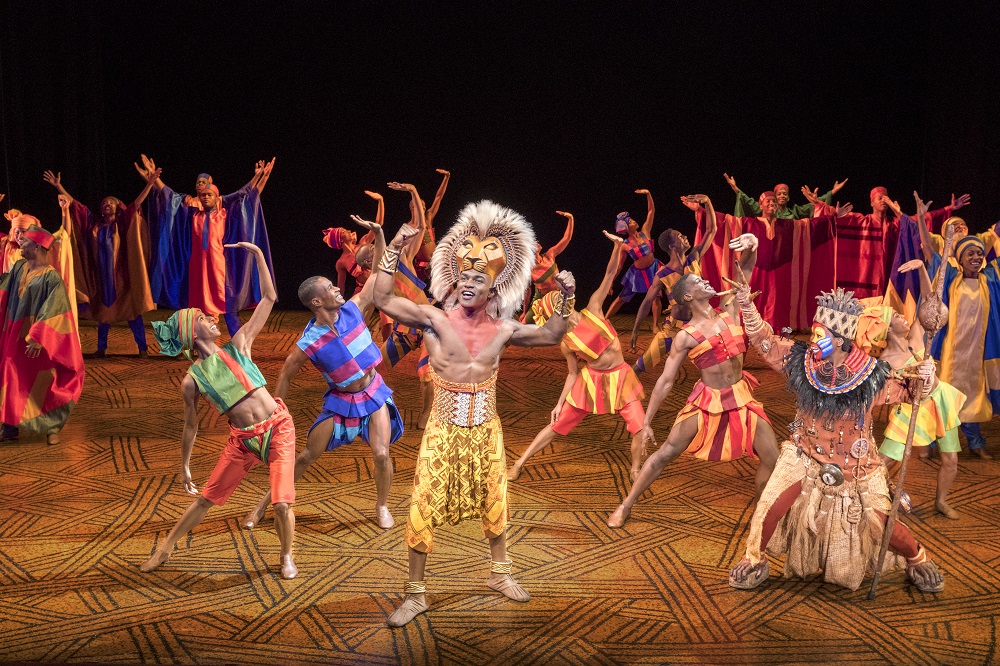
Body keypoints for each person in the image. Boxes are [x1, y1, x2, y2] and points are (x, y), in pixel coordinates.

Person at [373, 200, 576, 627]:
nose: (467, 282)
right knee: (422, 503)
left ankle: (500, 574)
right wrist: (393, 247)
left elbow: (554, 333)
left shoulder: (504, 330)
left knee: (497, 500)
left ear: (492, 290)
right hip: (443, 430)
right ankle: (415, 594)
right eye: (462, 277)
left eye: (476, 279)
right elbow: (381, 296)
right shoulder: (433, 319)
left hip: (487, 430)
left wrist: (567, 295)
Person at [728, 284, 945, 593]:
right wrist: (746, 306)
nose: (812, 341)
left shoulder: (872, 377)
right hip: (803, 457)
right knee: (770, 508)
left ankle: (917, 557)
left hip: (856, 468)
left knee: (884, 526)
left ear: (840, 340)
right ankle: (754, 557)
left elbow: (913, 393)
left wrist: (927, 377)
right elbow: (765, 342)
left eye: (820, 335)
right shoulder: (801, 361)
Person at [140, 242, 298, 579]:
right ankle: (166, 546)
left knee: (282, 502)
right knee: (206, 499)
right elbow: (190, 427)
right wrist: (184, 466)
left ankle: (286, 556)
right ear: (190, 332)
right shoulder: (192, 379)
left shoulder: (239, 345)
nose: (212, 319)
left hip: (278, 428)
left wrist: (257, 255)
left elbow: (269, 299)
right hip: (242, 441)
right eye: (203, 318)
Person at [241, 216, 403, 531]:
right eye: (329, 287)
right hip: (341, 402)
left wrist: (382, 233)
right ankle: (263, 504)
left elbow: (381, 273)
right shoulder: (308, 341)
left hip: (373, 393)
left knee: (382, 454)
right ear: (317, 301)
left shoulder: (355, 308)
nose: (336, 286)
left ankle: (382, 505)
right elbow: (286, 374)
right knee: (305, 457)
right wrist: (276, 414)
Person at [608, 233, 779, 528]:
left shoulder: (731, 312)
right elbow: (664, 381)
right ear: (688, 296)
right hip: (708, 402)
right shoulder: (686, 336)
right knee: (666, 453)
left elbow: (745, 272)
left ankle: (761, 516)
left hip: (742, 397)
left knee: (772, 457)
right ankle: (626, 505)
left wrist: (754, 246)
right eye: (699, 283)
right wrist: (646, 422)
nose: (706, 282)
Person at [507, 230, 647, 482]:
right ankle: (519, 462)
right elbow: (572, 373)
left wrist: (618, 248)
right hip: (591, 381)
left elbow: (609, 275)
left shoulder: (593, 307)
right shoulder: (566, 342)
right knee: (556, 425)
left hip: (621, 376)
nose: (566, 306)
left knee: (639, 425)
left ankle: (636, 468)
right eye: (559, 306)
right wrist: (559, 404)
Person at [853, 295, 965, 519]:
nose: (904, 316)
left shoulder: (915, 336)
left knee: (950, 459)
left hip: (940, 401)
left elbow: (931, 304)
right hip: (909, 408)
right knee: (883, 461)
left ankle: (941, 501)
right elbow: (883, 393)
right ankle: (862, 495)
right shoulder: (885, 361)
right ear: (887, 327)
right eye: (895, 316)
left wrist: (923, 268)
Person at [137, 155, 275, 336]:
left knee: (227, 304)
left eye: (209, 194)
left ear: (216, 197)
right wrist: (154, 180)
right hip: (197, 269)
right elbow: (169, 196)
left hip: (219, 269)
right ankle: (188, 345)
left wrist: (260, 177)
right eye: (202, 195)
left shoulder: (224, 213)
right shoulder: (191, 215)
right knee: (193, 308)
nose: (204, 197)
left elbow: (247, 196)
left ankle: (239, 344)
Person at [43, 169, 159, 357]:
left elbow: (137, 203)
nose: (107, 204)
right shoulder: (93, 225)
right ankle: (101, 348)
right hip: (100, 280)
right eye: (104, 203)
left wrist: (150, 184)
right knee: (103, 316)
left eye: (111, 202)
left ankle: (143, 348)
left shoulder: (122, 223)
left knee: (132, 314)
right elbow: (74, 206)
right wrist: (58, 186)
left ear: (117, 207)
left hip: (122, 278)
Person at [694, 191, 848, 331]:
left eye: (774, 201)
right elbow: (724, 222)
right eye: (767, 201)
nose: (772, 203)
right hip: (755, 272)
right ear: (760, 205)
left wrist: (832, 217)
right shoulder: (749, 223)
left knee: (778, 309)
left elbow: (810, 226)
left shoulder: (787, 226)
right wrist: (701, 211)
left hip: (778, 276)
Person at [0, 225, 84, 445]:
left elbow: (56, 310)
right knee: (9, 374)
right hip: (15, 335)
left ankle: (51, 427)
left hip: (40, 342)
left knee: (44, 383)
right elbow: (4, 291)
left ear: (36, 247)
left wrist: (38, 337)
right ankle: (9, 426)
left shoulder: (51, 277)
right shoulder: (19, 267)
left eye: (25, 242)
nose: (21, 244)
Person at [805, 186, 967, 299]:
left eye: (885, 198)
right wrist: (819, 204)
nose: (883, 200)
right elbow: (834, 218)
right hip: (865, 277)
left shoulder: (895, 224)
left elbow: (922, 220)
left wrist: (949, 208)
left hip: (889, 273)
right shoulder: (862, 221)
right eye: (879, 198)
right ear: (872, 202)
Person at [925, 223, 1000, 459]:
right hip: (949, 354)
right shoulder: (951, 279)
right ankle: (933, 440)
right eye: (971, 253)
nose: (977, 257)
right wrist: (920, 217)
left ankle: (975, 441)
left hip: (977, 356)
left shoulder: (989, 281)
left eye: (980, 253)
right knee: (943, 395)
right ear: (960, 258)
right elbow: (930, 250)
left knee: (973, 396)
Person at [630, 195, 717, 374]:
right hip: (674, 327)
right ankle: (618, 389)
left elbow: (712, 229)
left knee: (719, 363)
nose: (685, 236)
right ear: (671, 246)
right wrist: (635, 330)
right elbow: (647, 302)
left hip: (700, 324)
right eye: (679, 236)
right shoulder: (662, 274)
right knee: (641, 365)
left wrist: (707, 202)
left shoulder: (694, 258)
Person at [605, 189, 661, 324]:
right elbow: (619, 266)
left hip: (653, 269)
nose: (634, 221)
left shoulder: (645, 232)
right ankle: (605, 321)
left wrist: (648, 194)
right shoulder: (625, 245)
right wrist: (610, 283)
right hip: (637, 274)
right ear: (625, 228)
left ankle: (655, 327)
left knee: (656, 298)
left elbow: (651, 211)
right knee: (622, 298)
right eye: (630, 222)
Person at [522, 211, 574, 323]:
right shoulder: (529, 269)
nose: (537, 241)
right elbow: (527, 292)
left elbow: (567, 238)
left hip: (559, 294)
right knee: (525, 322)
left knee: (566, 321)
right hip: (542, 298)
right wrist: (524, 312)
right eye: (533, 242)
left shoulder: (549, 255)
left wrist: (570, 219)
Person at [725, 174, 846, 219]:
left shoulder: (794, 211)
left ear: (788, 198)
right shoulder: (768, 210)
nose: (782, 196)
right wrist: (735, 188)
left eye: (785, 194)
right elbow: (748, 201)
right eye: (779, 194)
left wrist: (832, 192)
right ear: (775, 198)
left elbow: (815, 205)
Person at [412, 168, 451, 282]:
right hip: (420, 266)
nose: (423, 207)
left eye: (424, 206)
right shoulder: (410, 225)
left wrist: (446, 177)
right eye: (420, 205)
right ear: (413, 207)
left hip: (435, 261)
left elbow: (438, 197)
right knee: (414, 292)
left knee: (447, 288)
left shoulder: (428, 218)